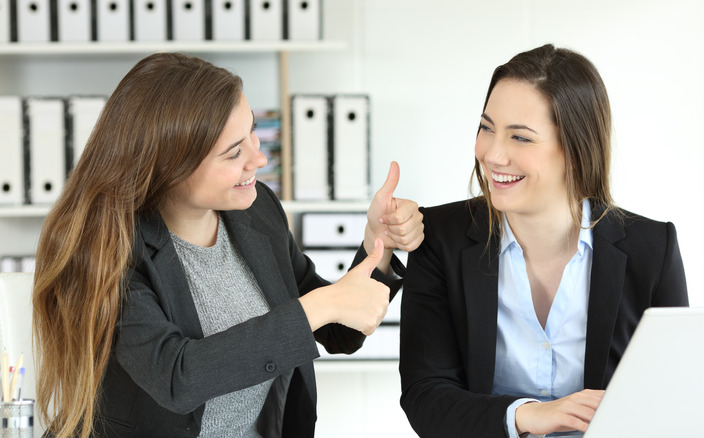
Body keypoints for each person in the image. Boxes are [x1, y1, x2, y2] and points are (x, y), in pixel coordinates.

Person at [32, 52, 424, 438]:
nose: (259, 158)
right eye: (234, 152)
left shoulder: (256, 212)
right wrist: (320, 306)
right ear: (170, 167)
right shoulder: (107, 248)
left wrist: (379, 242)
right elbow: (176, 377)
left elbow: (338, 330)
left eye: (252, 131)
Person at [399, 43, 688, 438]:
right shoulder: (439, 238)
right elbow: (425, 396)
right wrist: (526, 416)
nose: (493, 154)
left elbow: (674, 395)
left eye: (520, 138)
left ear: (575, 149)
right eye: (487, 128)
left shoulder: (652, 248)